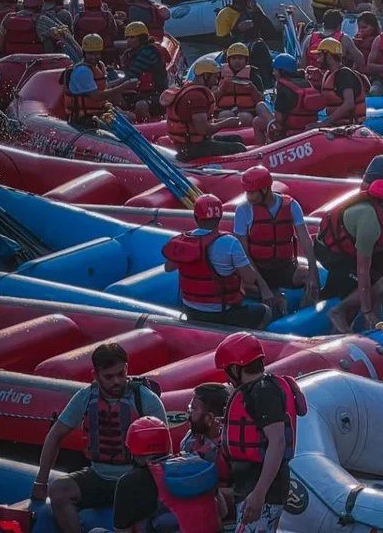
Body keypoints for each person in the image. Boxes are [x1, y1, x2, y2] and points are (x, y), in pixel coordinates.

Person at [31, 343, 167, 532]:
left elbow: (165, 453)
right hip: (99, 476)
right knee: (58, 490)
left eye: (121, 374)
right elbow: (55, 436)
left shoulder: (146, 400)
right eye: (109, 377)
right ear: (95, 376)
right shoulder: (86, 397)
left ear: (127, 369)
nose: (117, 381)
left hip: (135, 479)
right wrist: (41, 481)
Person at [215, 333, 306, 533]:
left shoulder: (263, 392)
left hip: (263, 490)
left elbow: (277, 442)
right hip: (251, 485)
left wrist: (259, 493)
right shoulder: (256, 390)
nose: (226, 378)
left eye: (226, 370)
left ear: (235, 368)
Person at [314, 181, 383, 332]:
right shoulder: (371, 224)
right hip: (331, 253)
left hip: (353, 252)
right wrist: (367, 311)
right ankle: (338, 311)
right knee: (377, 284)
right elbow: (362, 271)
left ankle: (366, 326)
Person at [161, 193, 278, 327]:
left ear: (195, 218)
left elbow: (168, 268)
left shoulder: (182, 242)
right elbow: (250, 279)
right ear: (220, 218)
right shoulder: (230, 242)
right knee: (266, 311)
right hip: (222, 314)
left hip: (191, 312)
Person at [112, 415, 224, 533]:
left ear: (131, 451)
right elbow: (223, 511)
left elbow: (122, 531)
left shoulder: (129, 482)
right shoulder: (199, 464)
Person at [233, 165, 318, 305]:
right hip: (257, 269)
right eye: (247, 193)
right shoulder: (243, 210)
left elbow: (306, 241)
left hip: (284, 267)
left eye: (253, 193)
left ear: (265, 189)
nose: (249, 197)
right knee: (241, 284)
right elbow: (244, 254)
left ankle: (300, 314)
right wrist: (263, 287)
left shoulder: (291, 205)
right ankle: (271, 299)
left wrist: (314, 274)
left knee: (310, 278)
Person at [163, 59, 246, 161]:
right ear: (205, 76)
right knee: (239, 148)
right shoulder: (196, 97)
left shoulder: (192, 89)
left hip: (191, 144)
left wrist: (225, 121)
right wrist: (225, 124)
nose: (216, 82)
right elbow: (203, 129)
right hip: (190, 149)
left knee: (237, 138)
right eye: (214, 77)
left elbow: (200, 123)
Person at [108, 22, 169, 121]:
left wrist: (109, 85)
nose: (128, 41)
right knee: (113, 95)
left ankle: (148, 128)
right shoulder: (134, 52)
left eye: (132, 38)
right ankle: (128, 120)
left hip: (157, 95)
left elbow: (131, 76)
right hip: (141, 93)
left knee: (140, 105)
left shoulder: (148, 52)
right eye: (127, 38)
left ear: (141, 38)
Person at [61, 34, 117, 127]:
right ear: (84, 53)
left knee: (130, 116)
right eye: (90, 54)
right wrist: (122, 88)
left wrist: (124, 82)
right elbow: (96, 97)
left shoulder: (99, 66)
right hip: (84, 119)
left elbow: (105, 86)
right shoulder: (82, 71)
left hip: (100, 114)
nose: (94, 57)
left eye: (96, 53)